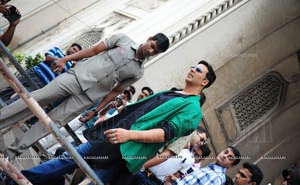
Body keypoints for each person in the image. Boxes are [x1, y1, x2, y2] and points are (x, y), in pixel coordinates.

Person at [4, 60, 216, 185]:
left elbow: (165, 133)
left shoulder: (192, 109)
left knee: (91, 180)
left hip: (127, 150)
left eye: (197, 70)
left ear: (204, 82)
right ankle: (16, 180)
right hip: (110, 136)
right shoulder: (174, 92)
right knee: (68, 159)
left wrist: (129, 135)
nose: (192, 69)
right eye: (193, 66)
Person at [0, 33, 169, 158]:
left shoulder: (138, 72)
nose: (150, 50)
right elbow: (94, 50)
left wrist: (96, 111)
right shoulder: (122, 40)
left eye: (155, 51)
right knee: (36, 99)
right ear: (149, 39)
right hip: (75, 77)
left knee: (52, 123)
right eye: (152, 45)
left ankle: (9, 153)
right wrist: (65, 59)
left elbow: (116, 91)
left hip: (88, 98)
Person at [0, 43, 82, 104]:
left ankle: (3, 109)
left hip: (42, 83)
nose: (73, 51)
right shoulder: (57, 50)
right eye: (74, 49)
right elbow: (48, 57)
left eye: (76, 52)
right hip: (34, 73)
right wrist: (61, 60)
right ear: (70, 47)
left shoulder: (70, 65)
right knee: (12, 87)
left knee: (20, 99)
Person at [135, 142, 211, 184]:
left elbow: (175, 176)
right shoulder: (185, 148)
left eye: (197, 155)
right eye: (194, 151)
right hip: (145, 170)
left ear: (202, 159)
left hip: (154, 181)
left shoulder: (194, 167)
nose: (193, 154)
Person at [164, 146, 241, 185]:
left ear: (231, 166)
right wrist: (176, 180)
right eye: (225, 152)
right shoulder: (210, 170)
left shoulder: (217, 177)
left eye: (230, 157)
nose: (225, 156)